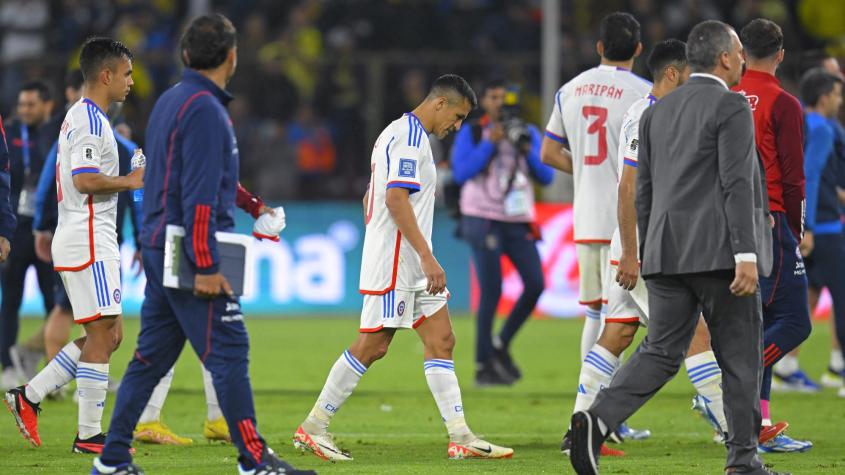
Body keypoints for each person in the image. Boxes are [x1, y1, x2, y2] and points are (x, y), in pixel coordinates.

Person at [93, 14, 315, 475]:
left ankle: (113, 458)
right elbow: (197, 194)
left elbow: (173, 178)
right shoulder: (207, 111)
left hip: (158, 243)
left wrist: (252, 207)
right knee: (230, 349)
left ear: (186, 55)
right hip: (189, 251)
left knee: (150, 357)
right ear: (232, 57)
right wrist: (206, 262)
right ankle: (254, 460)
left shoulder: (171, 101)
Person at [568, 21, 788, 475]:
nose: (743, 60)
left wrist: (647, 249)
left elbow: (642, 190)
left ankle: (597, 418)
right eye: (739, 52)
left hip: (664, 255)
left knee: (660, 352)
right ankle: (743, 461)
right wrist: (746, 253)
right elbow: (735, 182)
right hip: (720, 256)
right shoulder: (730, 107)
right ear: (725, 58)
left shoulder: (654, 111)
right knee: (741, 356)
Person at [292, 74, 513, 463]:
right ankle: (313, 427)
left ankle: (460, 436)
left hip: (408, 261)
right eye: (457, 117)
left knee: (442, 339)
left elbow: (378, 190)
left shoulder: (398, 132)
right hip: (399, 260)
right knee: (374, 345)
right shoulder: (410, 137)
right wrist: (427, 256)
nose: (457, 126)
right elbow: (396, 199)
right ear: (440, 104)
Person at [4, 37, 144, 454]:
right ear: (105, 75)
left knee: (110, 334)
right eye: (126, 73)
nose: (131, 82)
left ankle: (29, 395)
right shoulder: (89, 121)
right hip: (88, 240)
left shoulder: (83, 116)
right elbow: (84, 179)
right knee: (103, 335)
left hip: (88, 238)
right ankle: (88, 436)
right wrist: (130, 182)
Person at [541, 10, 652, 442]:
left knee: (596, 313)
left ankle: (593, 413)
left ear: (599, 47)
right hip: (630, 224)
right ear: (639, 50)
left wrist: (586, 175)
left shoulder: (569, 90)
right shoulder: (644, 94)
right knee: (628, 321)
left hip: (587, 216)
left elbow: (549, 153)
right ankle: (601, 414)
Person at [732, 18, 812, 453]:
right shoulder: (783, 102)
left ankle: (756, 423)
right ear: (781, 54)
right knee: (796, 322)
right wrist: (796, 231)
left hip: (730, 222)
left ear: (741, 52)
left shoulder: (726, 97)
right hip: (772, 220)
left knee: (758, 320)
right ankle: (728, 386)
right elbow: (794, 177)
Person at [450, 78, 553, 386]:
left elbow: (545, 175)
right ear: (483, 100)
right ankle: (484, 365)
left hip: (517, 218)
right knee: (491, 291)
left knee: (535, 283)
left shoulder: (528, 132)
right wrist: (489, 144)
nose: (500, 102)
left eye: (503, 96)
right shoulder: (473, 132)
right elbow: (461, 173)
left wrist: (526, 149)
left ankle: (500, 344)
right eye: (493, 96)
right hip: (482, 217)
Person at [0, 81, 57, 390]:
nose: (24, 110)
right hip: (17, 229)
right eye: (21, 105)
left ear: (47, 105)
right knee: (10, 300)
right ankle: (8, 366)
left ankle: (52, 370)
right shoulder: (8, 134)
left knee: (54, 301)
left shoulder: (56, 135)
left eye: (31, 105)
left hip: (47, 229)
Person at [800, 68, 845, 399]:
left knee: (807, 294)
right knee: (841, 298)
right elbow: (811, 177)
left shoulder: (804, 124)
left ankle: (785, 364)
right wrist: (810, 226)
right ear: (825, 96)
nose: (840, 101)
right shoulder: (823, 130)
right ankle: (838, 367)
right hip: (825, 228)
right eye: (838, 94)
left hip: (816, 225)